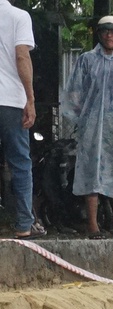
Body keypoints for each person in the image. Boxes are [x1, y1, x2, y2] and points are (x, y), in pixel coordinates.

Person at [62, 15, 113, 238]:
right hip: (93, 126)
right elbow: (73, 93)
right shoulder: (86, 60)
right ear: (99, 34)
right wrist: (84, 120)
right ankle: (93, 225)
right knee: (91, 171)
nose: (109, 35)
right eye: (105, 31)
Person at [0, 0, 40, 239]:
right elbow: (22, 56)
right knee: (20, 163)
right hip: (11, 100)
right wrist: (30, 98)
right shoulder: (18, 16)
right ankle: (24, 223)